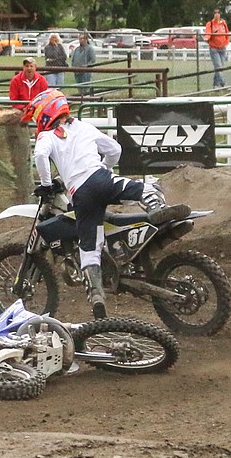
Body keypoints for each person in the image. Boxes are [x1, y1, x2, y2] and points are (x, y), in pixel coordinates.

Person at [28, 89, 190, 319]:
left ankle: (96, 293)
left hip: (79, 195)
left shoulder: (47, 136)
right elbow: (116, 150)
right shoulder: (83, 127)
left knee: (88, 246)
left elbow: (41, 157)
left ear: (45, 112)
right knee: (142, 189)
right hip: (100, 179)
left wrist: (45, 185)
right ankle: (155, 210)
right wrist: (105, 168)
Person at [203, 9, 230, 88]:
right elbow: (208, 33)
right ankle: (223, 84)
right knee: (218, 67)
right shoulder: (210, 24)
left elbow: (227, 34)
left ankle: (215, 84)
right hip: (214, 49)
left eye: (218, 13)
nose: (217, 15)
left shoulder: (223, 24)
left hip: (222, 48)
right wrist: (206, 38)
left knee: (220, 67)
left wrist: (226, 43)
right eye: (215, 13)